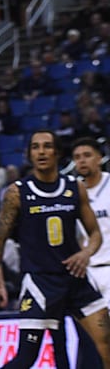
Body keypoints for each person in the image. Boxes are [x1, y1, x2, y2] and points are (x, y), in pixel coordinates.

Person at [0, 130, 110, 369]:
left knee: (106, 344)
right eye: (35, 147)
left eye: (46, 146)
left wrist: (85, 253)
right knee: (26, 357)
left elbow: (95, 233)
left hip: (75, 279)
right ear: (30, 154)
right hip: (39, 283)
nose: (41, 151)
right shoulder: (17, 192)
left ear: (57, 153)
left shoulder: (75, 188)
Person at [72, 137, 110, 368]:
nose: (82, 161)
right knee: (89, 342)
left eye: (87, 155)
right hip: (88, 275)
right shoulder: (73, 192)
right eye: (77, 157)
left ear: (99, 158)